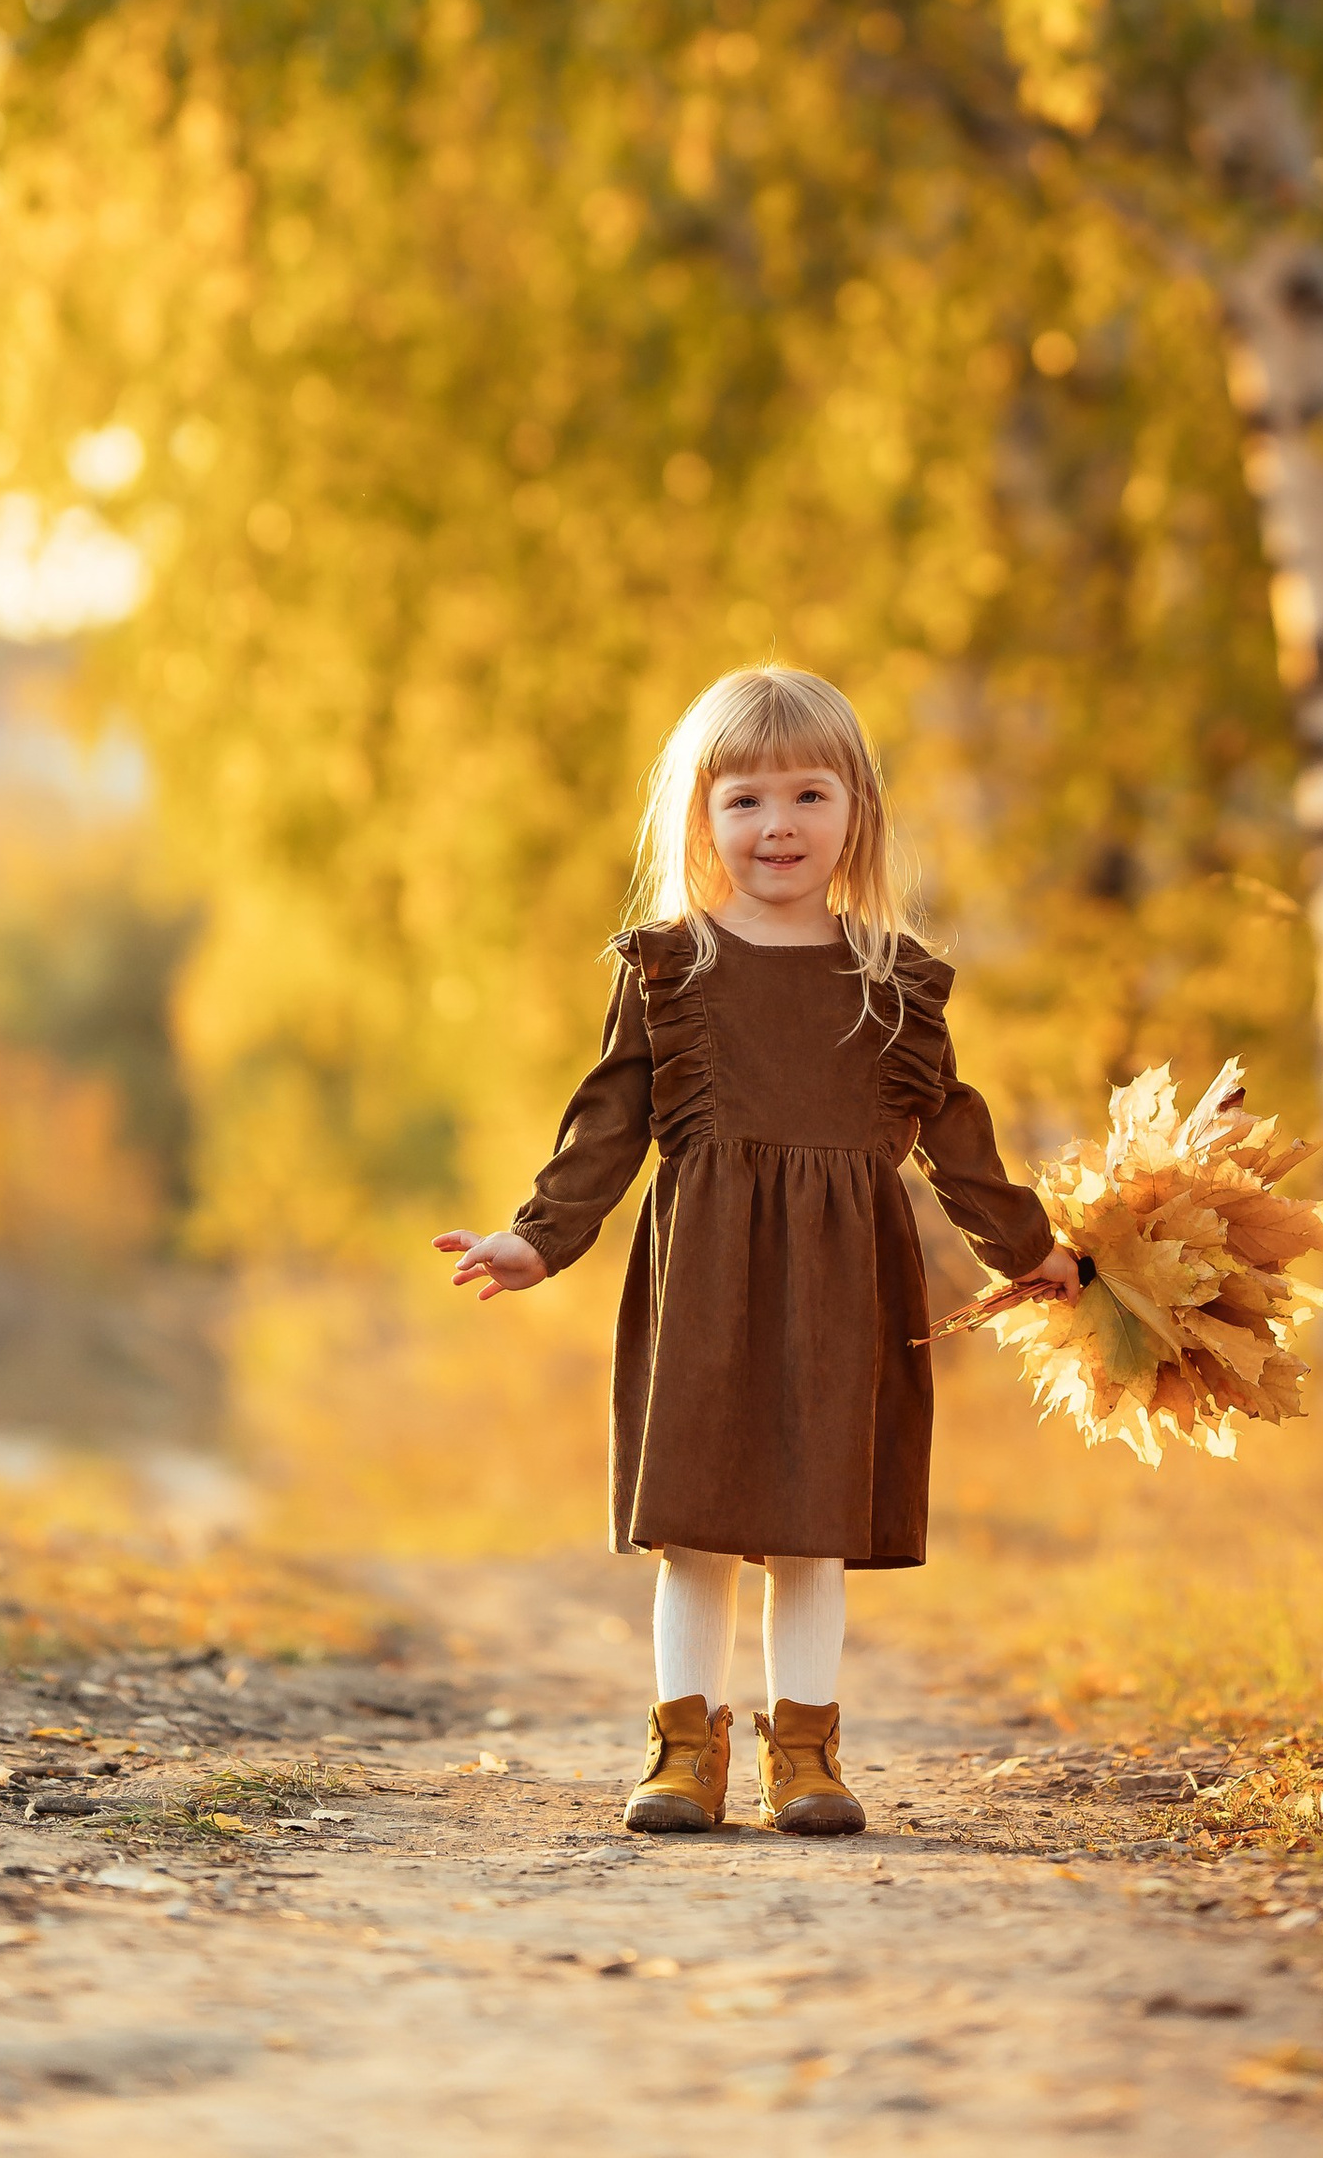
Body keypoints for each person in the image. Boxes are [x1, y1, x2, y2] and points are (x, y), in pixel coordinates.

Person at [433, 663, 1077, 1840]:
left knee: (809, 1526)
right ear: (701, 816)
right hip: (707, 1285)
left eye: (807, 795)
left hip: (844, 1287)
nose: (776, 824)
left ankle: (807, 1755)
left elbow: (957, 1136)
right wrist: (534, 1239)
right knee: (697, 1522)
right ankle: (685, 1750)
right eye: (744, 800)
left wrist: (1028, 1249)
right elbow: (606, 1126)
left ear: (856, 814)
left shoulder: (895, 984)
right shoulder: (673, 971)